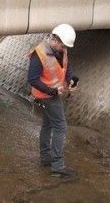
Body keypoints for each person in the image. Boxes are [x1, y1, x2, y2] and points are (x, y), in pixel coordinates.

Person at [28, 23, 79, 178]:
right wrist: (53, 91)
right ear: (55, 40)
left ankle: (45, 157)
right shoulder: (39, 54)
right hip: (46, 95)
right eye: (62, 45)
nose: (64, 48)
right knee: (60, 126)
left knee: (48, 124)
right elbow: (32, 79)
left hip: (52, 93)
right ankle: (58, 166)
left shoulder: (60, 49)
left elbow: (66, 66)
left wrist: (70, 79)